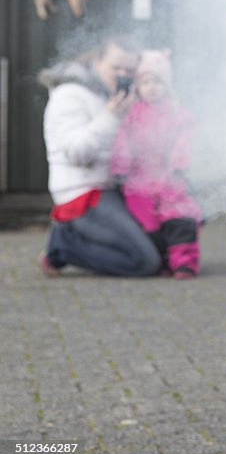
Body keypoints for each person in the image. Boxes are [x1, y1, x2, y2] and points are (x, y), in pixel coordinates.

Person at [38, 36, 163, 277]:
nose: (122, 74)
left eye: (129, 69)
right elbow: (76, 152)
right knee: (145, 262)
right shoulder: (69, 95)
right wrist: (111, 117)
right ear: (96, 61)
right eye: (116, 68)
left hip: (112, 190)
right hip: (82, 194)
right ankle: (63, 245)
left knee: (162, 248)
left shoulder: (112, 95)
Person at [110, 50, 202, 279]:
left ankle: (184, 263)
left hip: (171, 177)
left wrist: (180, 161)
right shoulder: (133, 115)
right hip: (139, 181)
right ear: (138, 86)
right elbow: (123, 141)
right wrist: (121, 166)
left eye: (157, 82)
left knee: (179, 220)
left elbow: (186, 137)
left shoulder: (177, 113)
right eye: (146, 82)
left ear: (167, 85)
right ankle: (160, 260)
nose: (151, 88)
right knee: (148, 225)